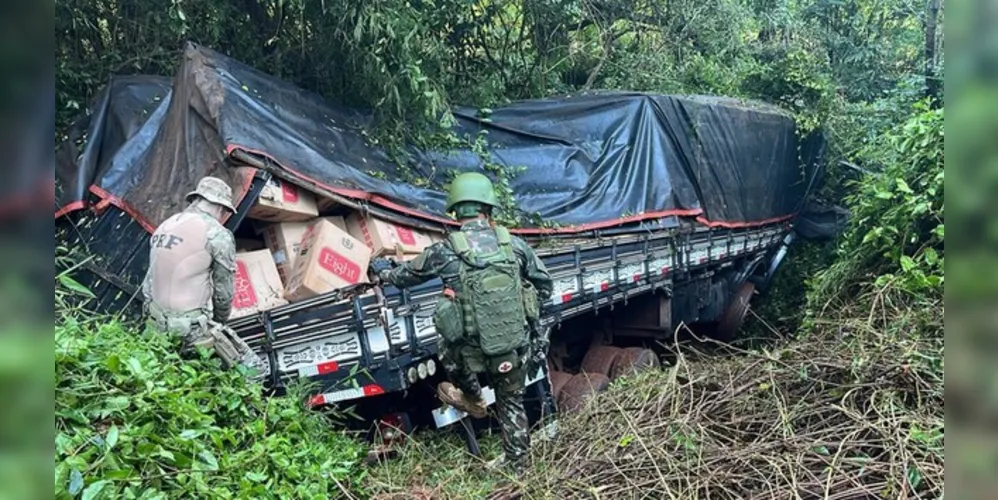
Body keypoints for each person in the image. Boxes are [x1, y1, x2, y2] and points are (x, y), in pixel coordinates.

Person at [376, 172, 553, 475]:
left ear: (456, 211)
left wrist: (383, 272)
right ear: (489, 209)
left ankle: (472, 396)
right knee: (512, 404)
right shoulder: (515, 246)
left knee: (445, 339)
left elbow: (404, 278)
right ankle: (519, 469)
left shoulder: (444, 251)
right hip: (513, 346)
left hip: (470, 355)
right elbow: (545, 286)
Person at [141, 176, 264, 379]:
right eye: (224, 211)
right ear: (220, 206)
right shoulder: (217, 234)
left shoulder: (165, 226)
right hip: (189, 329)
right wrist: (219, 323)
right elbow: (223, 292)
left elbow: (149, 283)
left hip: (155, 323)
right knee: (254, 372)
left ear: (197, 199)